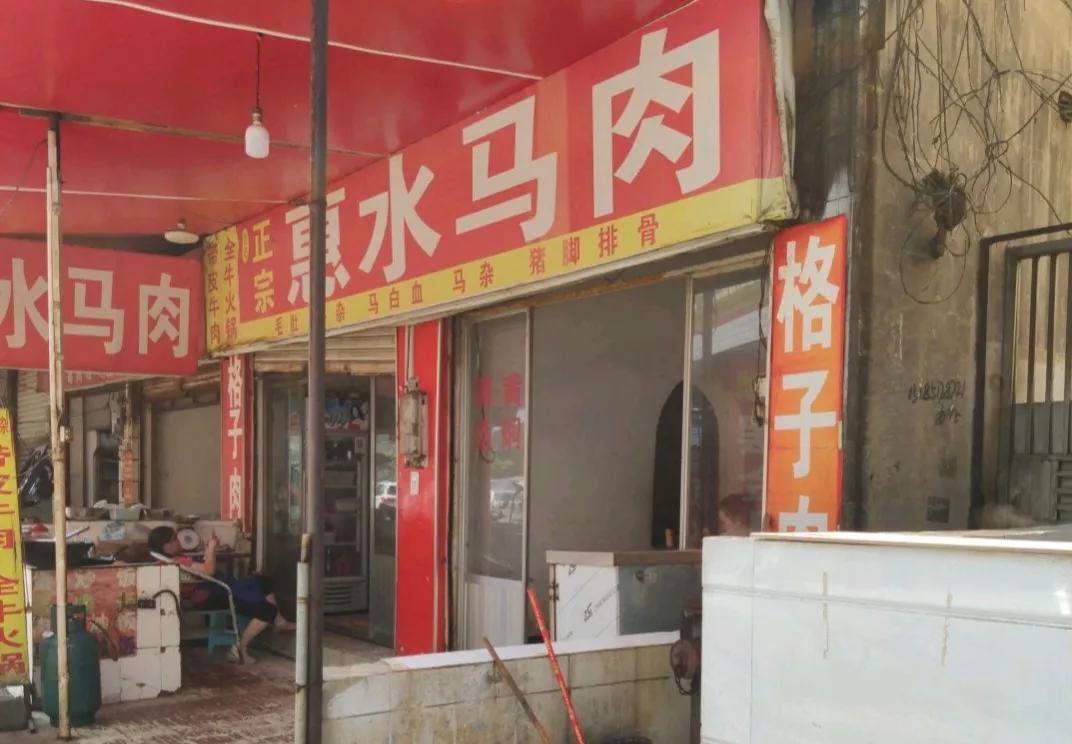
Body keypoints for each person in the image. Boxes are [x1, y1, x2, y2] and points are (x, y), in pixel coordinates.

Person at [148, 525, 294, 663]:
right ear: (165, 546)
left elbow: (202, 568)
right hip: (210, 597)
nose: (179, 541)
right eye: (174, 539)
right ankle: (239, 649)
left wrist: (209, 551)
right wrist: (212, 547)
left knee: (263, 581)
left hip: (213, 590)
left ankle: (279, 622)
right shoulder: (178, 561)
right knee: (267, 610)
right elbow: (209, 570)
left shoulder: (164, 561)